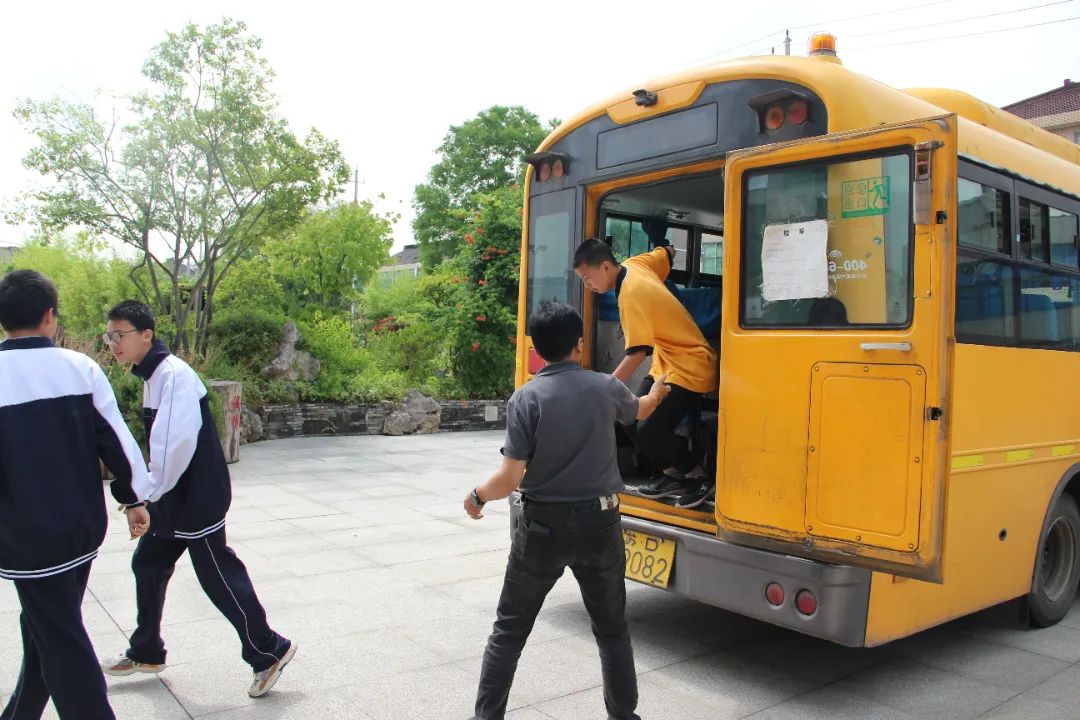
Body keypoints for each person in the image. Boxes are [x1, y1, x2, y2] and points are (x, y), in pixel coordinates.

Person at [465, 300, 670, 720]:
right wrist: (658, 390)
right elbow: (641, 410)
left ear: (537, 351)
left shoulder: (526, 398)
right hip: (600, 524)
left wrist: (477, 497)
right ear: (579, 344)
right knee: (613, 631)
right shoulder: (604, 386)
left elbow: (509, 479)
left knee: (508, 633)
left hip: (542, 529)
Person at [97, 300, 296, 698]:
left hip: (196, 495)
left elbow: (174, 447)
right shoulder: (151, 375)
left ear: (146, 335)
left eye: (119, 335)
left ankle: (268, 650)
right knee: (149, 564)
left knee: (217, 574)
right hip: (173, 494)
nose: (113, 344)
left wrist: (142, 495)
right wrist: (149, 497)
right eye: (110, 336)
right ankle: (147, 649)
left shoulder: (173, 375)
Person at [0, 270, 151, 720]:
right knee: (47, 625)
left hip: (24, 538)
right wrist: (133, 498)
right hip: (80, 529)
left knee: (57, 630)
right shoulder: (79, 367)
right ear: (50, 316)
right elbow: (117, 443)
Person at [573, 239, 718, 509]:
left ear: (604, 267)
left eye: (587, 278)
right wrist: (669, 248)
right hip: (666, 363)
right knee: (627, 413)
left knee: (650, 430)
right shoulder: (635, 264)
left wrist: (603, 388)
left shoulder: (629, 293)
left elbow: (637, 353)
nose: (587, 286)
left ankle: (698, 476)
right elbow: (664, 255)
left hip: (690, 365)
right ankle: (672, 473)